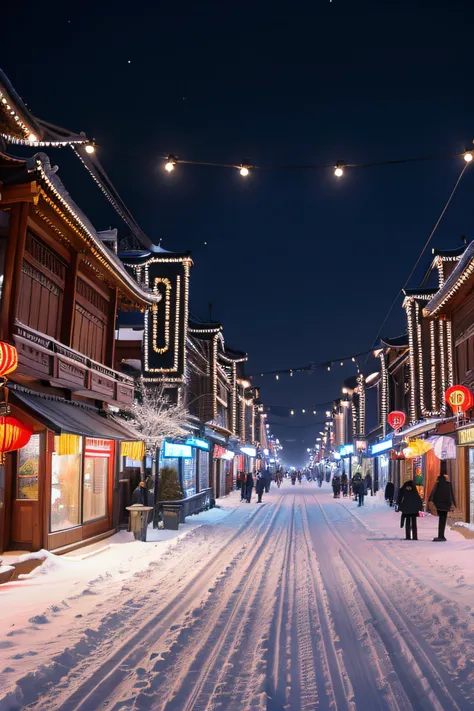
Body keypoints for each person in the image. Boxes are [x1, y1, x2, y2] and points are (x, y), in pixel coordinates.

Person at [429, 470, 456, 542]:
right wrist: (452, 503)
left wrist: (433, 501)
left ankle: (440, 535)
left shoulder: (437, 484)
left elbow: (433, 493)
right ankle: (441, 535)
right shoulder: (448, 484)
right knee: (443, 520)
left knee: (441, 520)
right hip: (446, 504)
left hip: (438, 505)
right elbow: (451, 494)